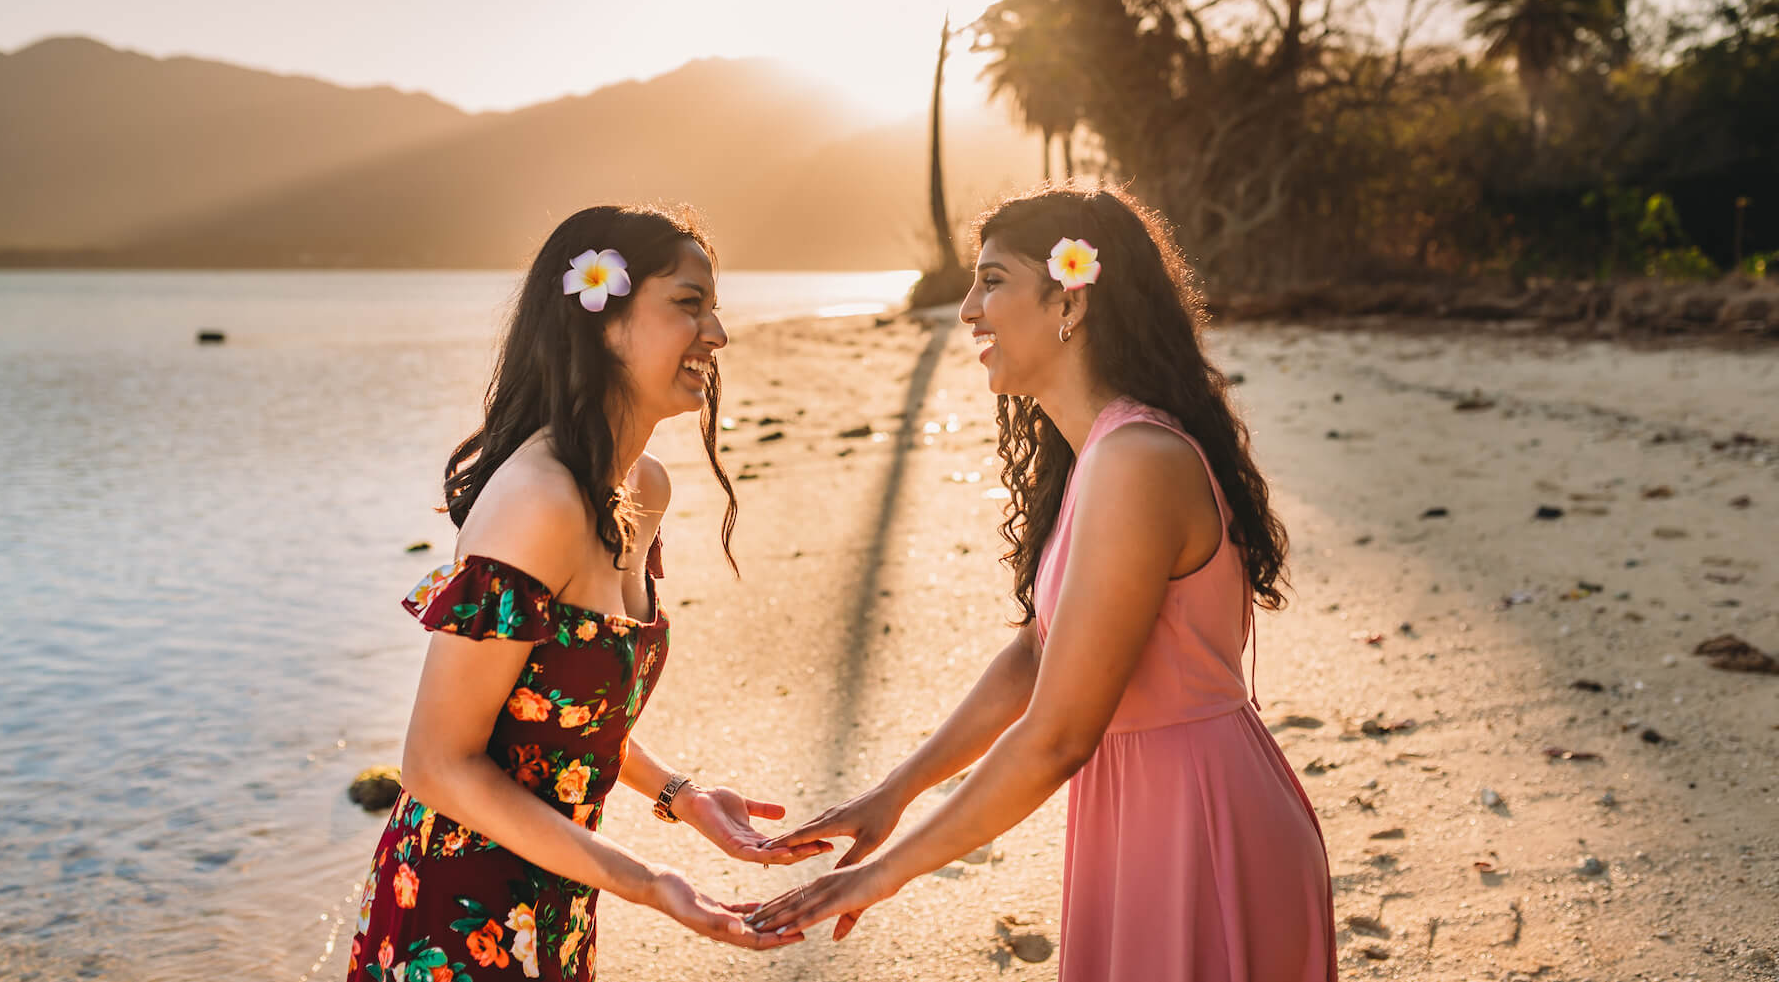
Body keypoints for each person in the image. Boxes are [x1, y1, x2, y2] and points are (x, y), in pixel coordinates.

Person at [750, 183, 1336, 980]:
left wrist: (882, 877)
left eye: (992, 280)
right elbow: (1038, 652)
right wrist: (897, 790)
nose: (967, 310)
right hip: (1138, 815)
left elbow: (1060, 734)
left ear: (1070, 298)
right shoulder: (1100, 455)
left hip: (1200, 820)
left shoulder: (1136, 461)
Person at [346, 205, 826, 982]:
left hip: (559, 891)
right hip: (458, 910)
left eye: (715, 308)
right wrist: (647, 881)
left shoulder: (644, 489)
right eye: (688, 303)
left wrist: (682, 795)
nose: (717, 334)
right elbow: (436, 763)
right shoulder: (537, 500)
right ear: (602, 320)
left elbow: (555, 712)